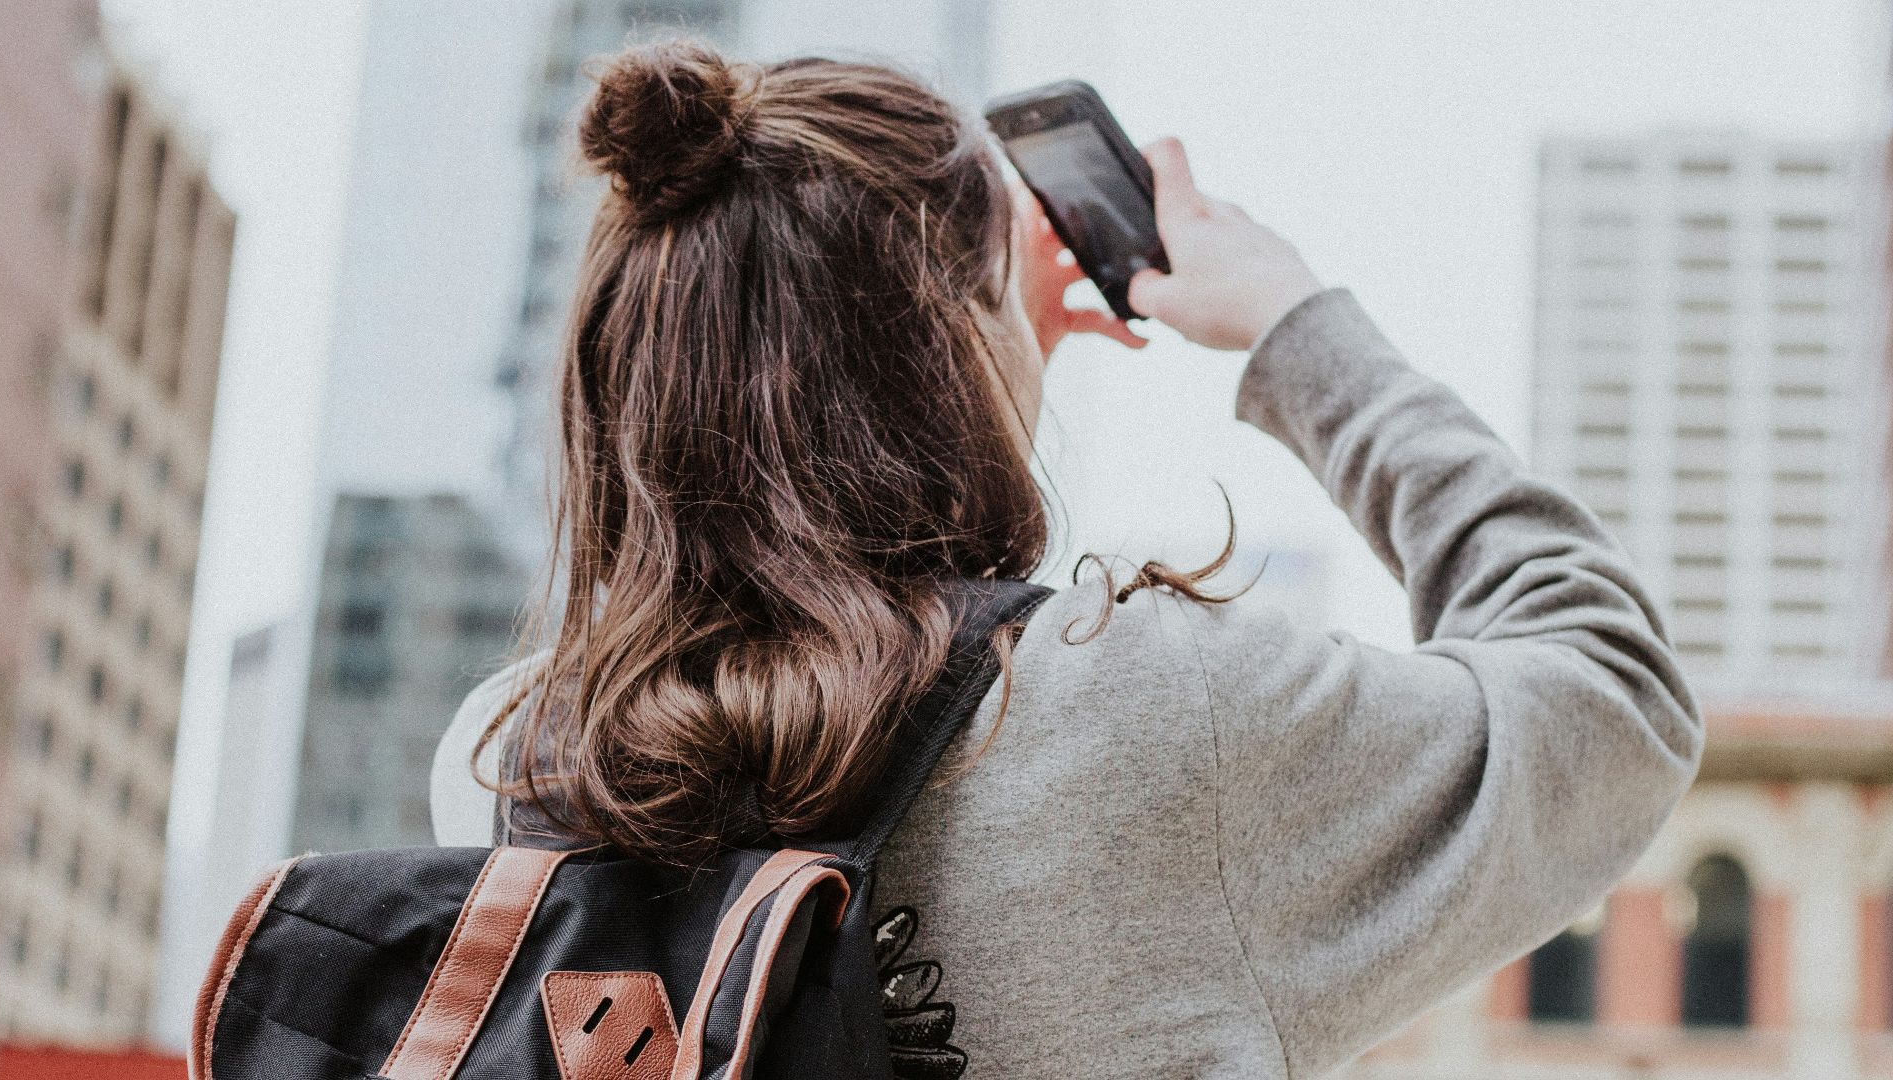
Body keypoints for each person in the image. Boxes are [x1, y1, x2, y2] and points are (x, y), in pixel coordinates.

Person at [431, 42, 1701, 1079]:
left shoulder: (507, 762)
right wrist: (1291, 324)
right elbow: (1612, 695)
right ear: (950, 345)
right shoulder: (1150, 712)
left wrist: (988, 344)